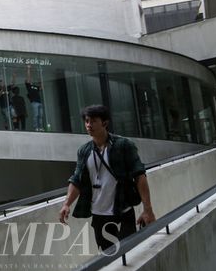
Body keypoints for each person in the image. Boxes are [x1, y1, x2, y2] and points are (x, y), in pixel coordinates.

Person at [58, 104, 156, 252]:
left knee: (129, 252)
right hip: (99, 215)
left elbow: (139, 176)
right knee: (108, 256)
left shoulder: (123, 145)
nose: (89, 125)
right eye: (86, 121)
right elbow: (77, 179)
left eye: (93, 121)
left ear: (105, 123)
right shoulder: (84, 151)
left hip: (122, 210)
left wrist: (147, 209)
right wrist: (67, 204)